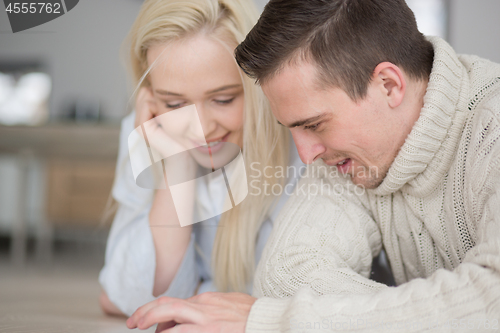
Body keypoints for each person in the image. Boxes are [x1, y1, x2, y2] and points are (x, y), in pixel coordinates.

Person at [125, 0, 500, 332]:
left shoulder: (492, 128)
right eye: (292, 129)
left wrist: (271, 322)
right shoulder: (348, 158)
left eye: (315, 124)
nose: (305, 155)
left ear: (388, 85)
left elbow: (491, 302)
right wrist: (446, 311)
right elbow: (286, 276)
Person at [98, 0, 304, 317]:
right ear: (150, 95)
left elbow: (307, 294)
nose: (202, 129)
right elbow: (130, 295)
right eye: (175, 103)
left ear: (257, 84)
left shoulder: (303, 136)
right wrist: (176, 166)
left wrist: (197, 293)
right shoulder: (149, 129)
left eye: (223, 99)